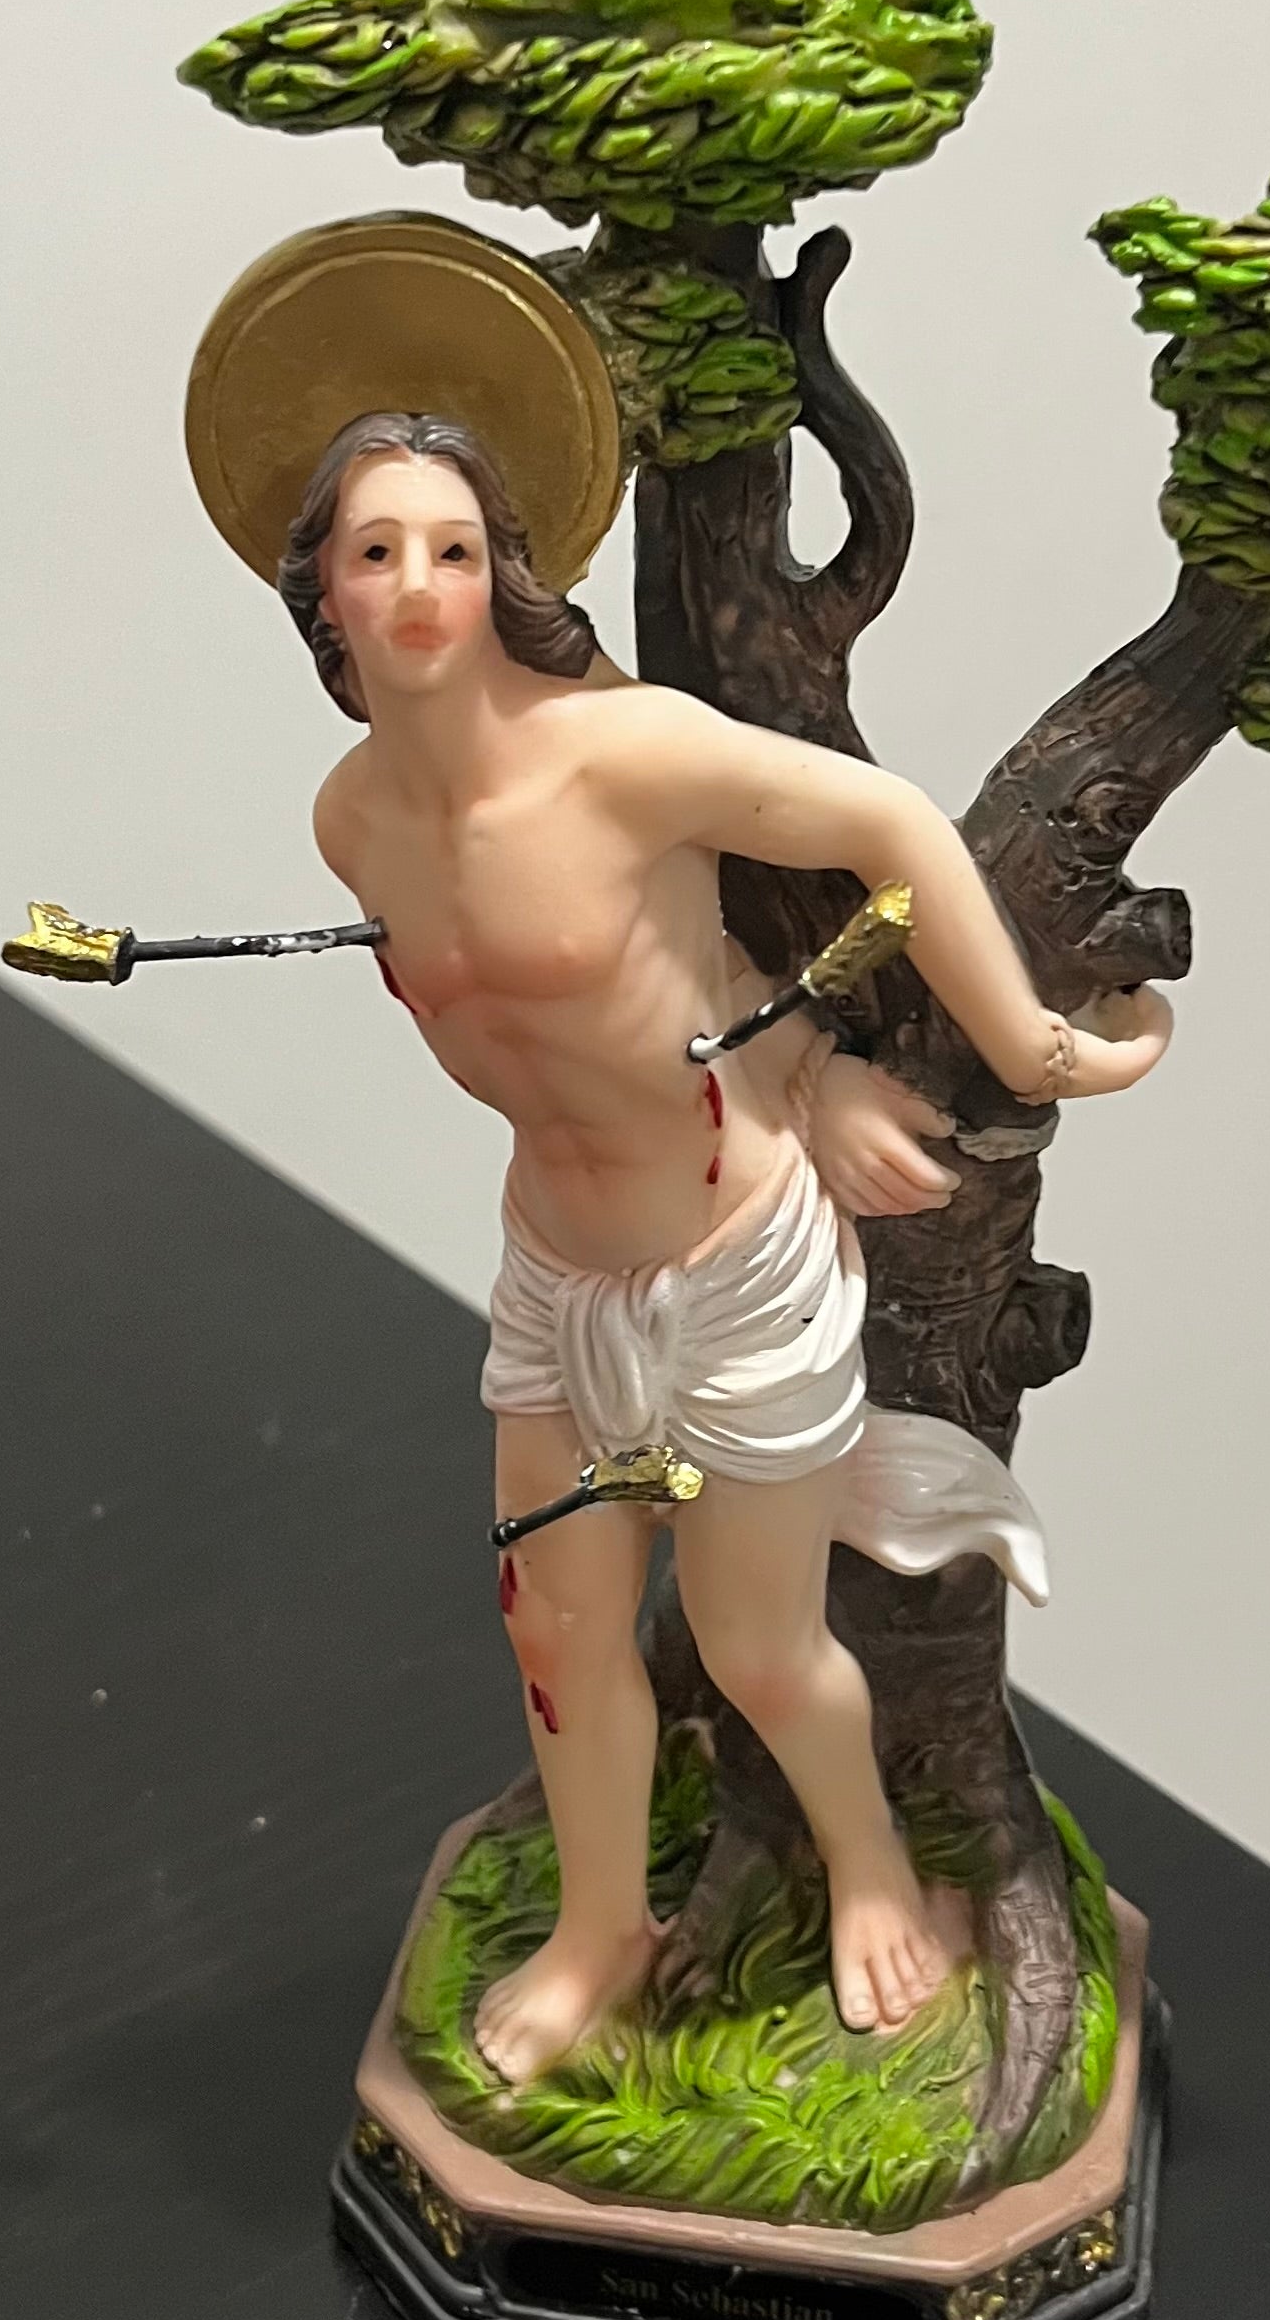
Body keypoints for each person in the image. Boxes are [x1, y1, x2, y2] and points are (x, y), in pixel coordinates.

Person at [294, 409, 1172, 2084]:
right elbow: (607, 1015)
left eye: (453, 550)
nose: (415, 585)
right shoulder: (351, 820)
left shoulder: (620, 751)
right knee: (555, 1629)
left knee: (761, 1646)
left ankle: (867, 1858)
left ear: (502, 575)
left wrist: (1024, 1045)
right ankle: (600, 1925)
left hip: (733, 1260)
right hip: (556, 1274)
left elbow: (885, 828)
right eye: (376, 550)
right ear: (320, 588)